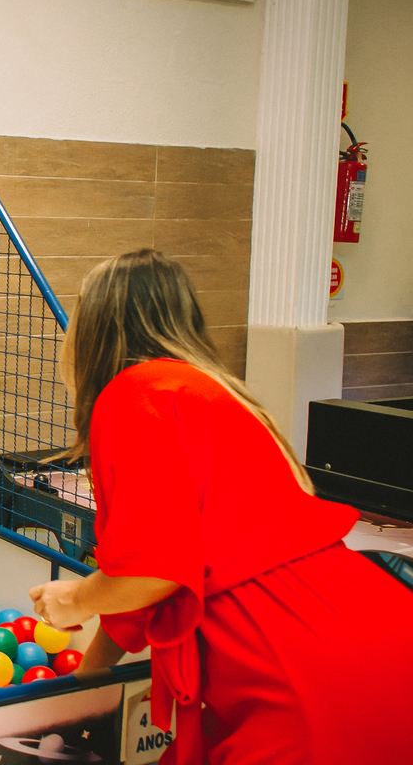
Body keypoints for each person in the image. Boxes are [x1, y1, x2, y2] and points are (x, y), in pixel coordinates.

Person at [28, 249, 413, 765]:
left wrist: (76, 599)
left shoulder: (133, 393)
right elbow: (148, 589)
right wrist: (85, 682)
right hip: (372, 627)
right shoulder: (216, 393)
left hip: (293, 660)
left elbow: (153, 572)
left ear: (99, 326)